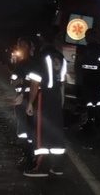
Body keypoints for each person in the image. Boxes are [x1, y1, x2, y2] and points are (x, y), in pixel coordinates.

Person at [23, 27, 67, 177]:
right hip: (56, 96)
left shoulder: (41, 56)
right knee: (56, 130)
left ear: (41, 40)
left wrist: (30, 103)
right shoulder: (60, 56)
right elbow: (62, 81)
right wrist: (62, 99)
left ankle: (40, 166)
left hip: (44, 97)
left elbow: (35, 82)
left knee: (41, 131)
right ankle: (58, 166)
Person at [10, 36, 35, 169]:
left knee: (25, 130)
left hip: (25, 99)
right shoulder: (22, 63)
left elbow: (23, 82)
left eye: (25, 45)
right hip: (25, 98)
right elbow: (14, 81)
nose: (22, 48)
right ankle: (29, 156)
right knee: (26, 129)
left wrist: (20, 92)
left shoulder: (28, 63)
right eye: (21, 45)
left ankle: (28, 157)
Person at [75, 28, 100, 131]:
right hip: (95, 77)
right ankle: (95, 116)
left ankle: (91, 119)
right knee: (95, 99)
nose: (85, 38)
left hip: (89, 77)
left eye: (87, 35)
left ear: (92, 36)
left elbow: (80, 63)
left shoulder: (86, 49)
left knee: (89, 99)